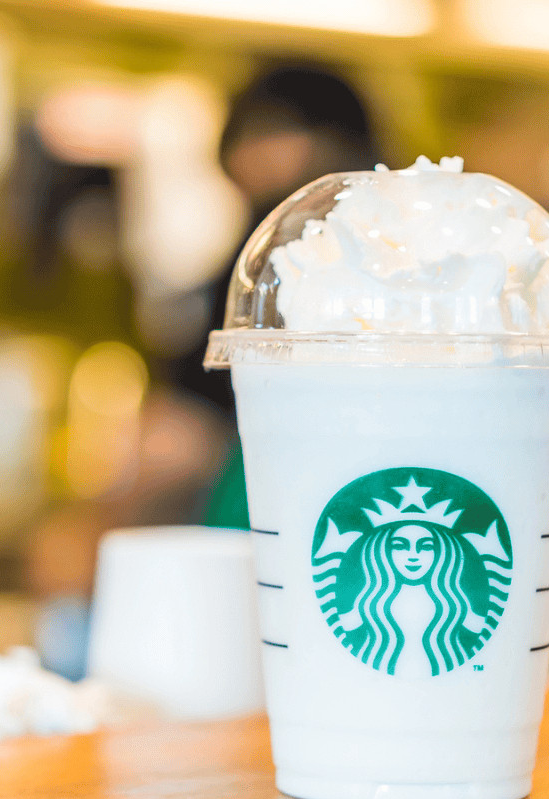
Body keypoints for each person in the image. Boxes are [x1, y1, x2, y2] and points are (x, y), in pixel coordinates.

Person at [158, 64, 383, 527]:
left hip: (307, 475)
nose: (247, 154)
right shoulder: (258, 246)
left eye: (267, 134)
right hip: (248, 475)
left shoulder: (352, 247)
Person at [323, 521, 504, 677]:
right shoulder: (371, 599)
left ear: (441, 554)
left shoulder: (454, 600)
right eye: (400, 546)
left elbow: (478, 627)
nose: (413, 555)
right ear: (383, 553)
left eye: (425, 546)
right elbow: (344, 626)